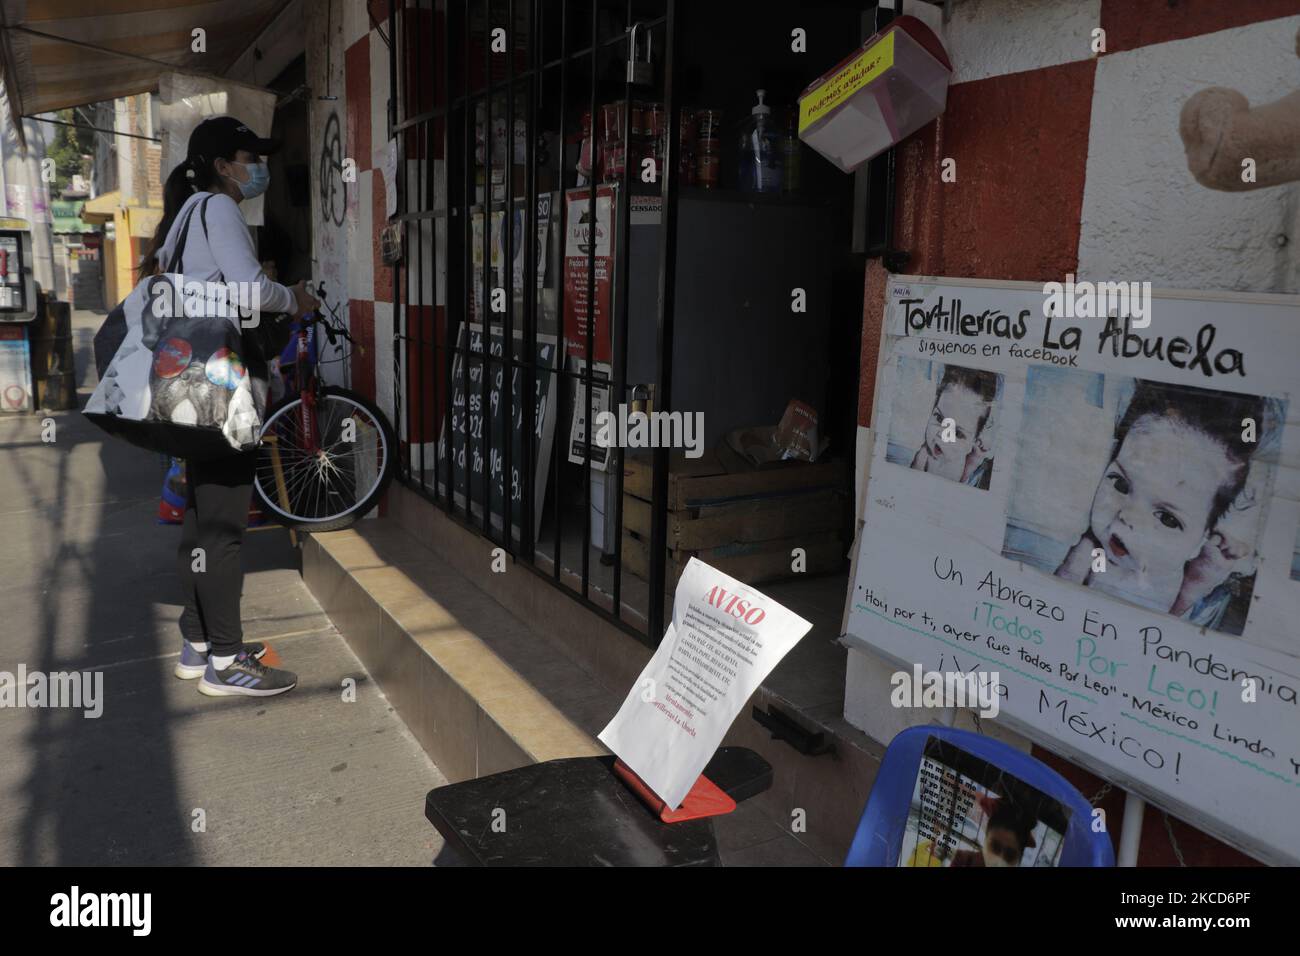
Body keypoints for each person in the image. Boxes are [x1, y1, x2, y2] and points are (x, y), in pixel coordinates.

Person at [138, 115, 319, 697]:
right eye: (250, 156)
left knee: (200, 514)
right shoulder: (217, 209)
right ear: (223, 165)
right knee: (224, 526)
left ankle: (196, 644)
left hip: (187, 381)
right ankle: (225, 660)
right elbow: (247, 290)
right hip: (221, 382)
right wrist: (295, 296)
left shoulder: (184, 216)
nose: (258, 166)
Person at [1055, 380, 1262, 616]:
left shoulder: (1175, 582)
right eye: (1121, 484)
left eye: (1167, 518)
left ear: (1199, 543)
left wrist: (1191, 589)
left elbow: (1160, 637)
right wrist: (1077, 565)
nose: (1126, 517)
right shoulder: (1095, 552)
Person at [909, 365, 998, 488]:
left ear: (974, 442)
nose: (943, 435)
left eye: (957, 433)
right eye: (939, 418)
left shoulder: (968, 470)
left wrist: (970, 466)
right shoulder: (922, 456)